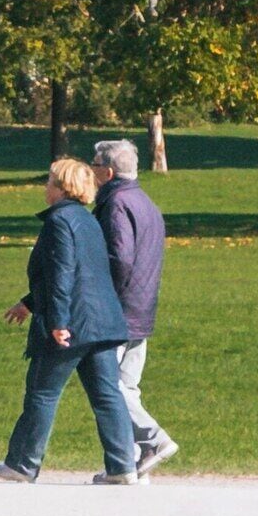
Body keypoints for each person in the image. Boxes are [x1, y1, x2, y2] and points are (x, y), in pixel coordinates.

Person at [0, 157, 137, 483]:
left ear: (62, 188)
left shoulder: (58, 222)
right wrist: (29, 303)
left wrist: (58, 322)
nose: (45, 187)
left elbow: (62, 275)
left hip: (73, 324)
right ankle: (123, 467)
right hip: (103, 323)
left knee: (42, 393)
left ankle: (22, 464)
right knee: (107, 395)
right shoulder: (89, 221)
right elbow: (81, 275)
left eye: (49, 182)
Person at [94, 138, 178, 473]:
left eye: (95, 165)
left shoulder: (115, 204)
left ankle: (154, 438)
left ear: (109, 171)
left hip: (119, 307)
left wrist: (99, 295)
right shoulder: (146, 203)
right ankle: (127, 463)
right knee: (126, 386)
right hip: (143, 305)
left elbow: (120, 258)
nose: (91, 170)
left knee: (109, 387)